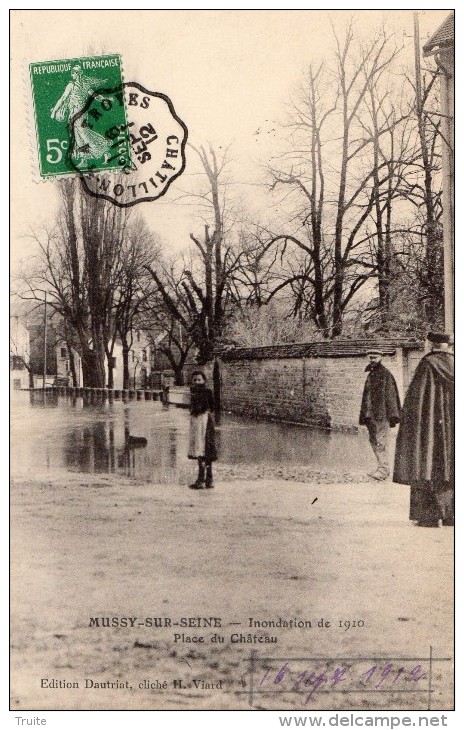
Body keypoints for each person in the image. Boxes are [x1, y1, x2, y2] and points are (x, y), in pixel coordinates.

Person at [393, 332, 454, 527]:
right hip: (452, 431)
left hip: (429, 431)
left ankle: (429, 517)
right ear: (448, 346)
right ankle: (451, 516)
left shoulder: (427, 365)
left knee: (427, 465)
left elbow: (415, 403)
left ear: (431, 345)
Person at [50, 64, 112, 164]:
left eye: (73, 72)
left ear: (78, 73)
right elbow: (63, 98)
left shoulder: (83, 85)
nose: (72, 74)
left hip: (81, 112)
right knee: (77, 135)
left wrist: (104, 99)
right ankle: (84, 159)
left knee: (83, 132)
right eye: (72, 72)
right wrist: (54, 111)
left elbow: (94, 95)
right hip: (73, 112)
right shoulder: (72, 85)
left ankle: (103, 149)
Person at [359, 348, 402, 481]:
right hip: (370, 415)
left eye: (375, 358)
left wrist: (392, 416)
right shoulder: (371, 374)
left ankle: (383, 470)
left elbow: (391, 396)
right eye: (370, 357)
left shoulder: (385, 374)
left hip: (381, 415)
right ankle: (381, 467)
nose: (372, 360)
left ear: (380, 358)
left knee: (381, 441)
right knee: (373, 441)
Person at [188, 371, 217, 489]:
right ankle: (201, 479)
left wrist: (205, 412)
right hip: (196, 422)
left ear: (204, 380)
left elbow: (213, 406)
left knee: (206, 449)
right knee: (198, 449)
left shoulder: (207, 392)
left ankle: (208, 480)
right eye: (194, 380)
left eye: (199, 380)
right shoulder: (192, 392)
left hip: (205, 422)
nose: (196, 382)